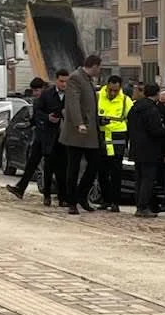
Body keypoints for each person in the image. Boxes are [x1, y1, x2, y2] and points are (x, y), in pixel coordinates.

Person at [60, 53, 102, 215]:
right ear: (94, 66)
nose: (99, 71)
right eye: (99, 67)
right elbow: (73, 103)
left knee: (94, 164)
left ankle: (82, 195)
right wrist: (79, 123)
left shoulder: (88, 80)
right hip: (76, 133)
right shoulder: (75, 78)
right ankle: (72, 202)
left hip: (90, 132)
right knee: (73, 168)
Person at [5, 77, 47, 199]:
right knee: (31, 164)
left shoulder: (49, 99)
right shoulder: (37, 101)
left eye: (37, 90)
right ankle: (21, 188)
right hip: (39, 137)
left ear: (43, 89)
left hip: (50, 137)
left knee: (49, 166)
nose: (35, 93)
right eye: (33, 91)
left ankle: (52, 194)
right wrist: (29, 124)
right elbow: (34, 119)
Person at [127, 82, 165, 218]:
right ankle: (143, 207)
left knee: (139, 179)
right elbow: (156, 130)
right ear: (157, 94)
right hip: (149, 149)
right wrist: (163, 129)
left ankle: (139, 205)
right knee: (148, 179)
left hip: (136, 148)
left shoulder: (134, 107)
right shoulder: (152, 110)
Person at [97, 75, 133, 212]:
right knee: (102, 172)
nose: (112, 93)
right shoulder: (98, 97)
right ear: (107, 86)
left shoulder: (125, 100)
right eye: (110, 90)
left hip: (118, 138)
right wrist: (99, 121)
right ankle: (105, 200)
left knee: (116, 173)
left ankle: (115, 202)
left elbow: (132, 118)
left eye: (115, 91)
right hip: (102, 137)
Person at [39, 69, 69, 206]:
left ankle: (62, 197)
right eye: (62, 81)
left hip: (64, 137)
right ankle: (47, 195)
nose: (64, 84)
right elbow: (38, 111)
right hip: (50, 136)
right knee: (48, 168)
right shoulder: (47, 94)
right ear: (56, 80)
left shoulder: (70, 95)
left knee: (63, 169)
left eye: (66, 81)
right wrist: (47, 117)